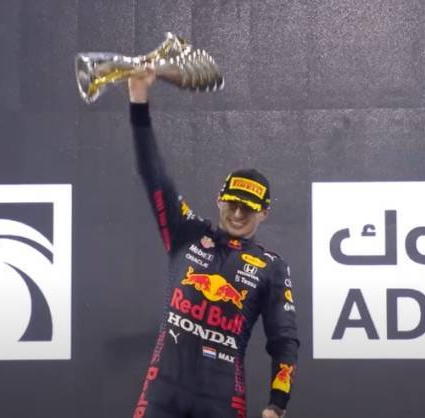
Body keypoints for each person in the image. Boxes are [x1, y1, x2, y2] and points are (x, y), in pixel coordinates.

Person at [128, 68, 299, 418]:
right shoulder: (186, 231)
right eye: (232, 203)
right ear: (219, 199)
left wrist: (277, 404)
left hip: (221, 402)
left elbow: (285, 341)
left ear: (264, 213)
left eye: (247, 208)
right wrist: (138, 99)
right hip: (161, 394)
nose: (237, 213)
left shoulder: (271, 267)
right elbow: (152, 173)